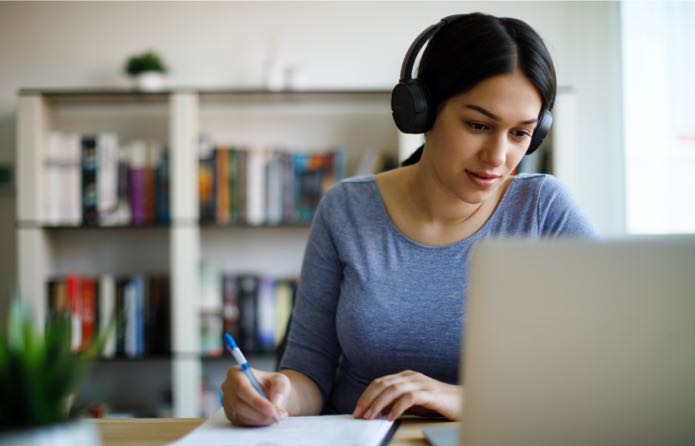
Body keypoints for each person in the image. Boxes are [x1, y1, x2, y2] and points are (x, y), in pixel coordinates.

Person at [220, 12, 597, 427]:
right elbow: (308, 373)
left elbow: (606, 368)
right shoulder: (345, 209)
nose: (498, 157)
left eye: (520, 133)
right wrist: (273, 392)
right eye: (477, 124)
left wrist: (463, 399)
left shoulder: (543, 211)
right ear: (422, 111)